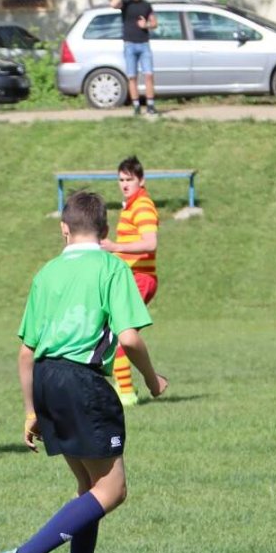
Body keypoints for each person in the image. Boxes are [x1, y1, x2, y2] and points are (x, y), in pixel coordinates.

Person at [0, 190, 169, 553]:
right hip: (82, 382)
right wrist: (152, 379)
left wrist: (32, 410)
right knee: (113, 490)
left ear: (64, 229)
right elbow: (129, 338)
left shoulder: (47, 273)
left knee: (89, 489)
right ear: (105, 230)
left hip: (46, 379)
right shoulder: (112, 267)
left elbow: (25, 352)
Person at [99, 156, 160, 406]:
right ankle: (125, 387)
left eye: (129, 179)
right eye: (121, 179)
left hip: (141, 278)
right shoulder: (131, 206)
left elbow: (150, 243)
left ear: (141, 180)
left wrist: (115, 247)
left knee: (121, 331)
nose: (124, 184)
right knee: (116, 331)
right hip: (131, 277)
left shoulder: (143, 206)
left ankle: (126, 392)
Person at [110, 0, 159, 117]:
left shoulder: (146, 5)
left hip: (144, 44)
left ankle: (150, 106)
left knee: (149, 75)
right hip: (129, 45)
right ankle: (136, 107)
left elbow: (155, 23)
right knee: (132, 77)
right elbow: (113, 4)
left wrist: (146, 25)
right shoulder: (125, 4)